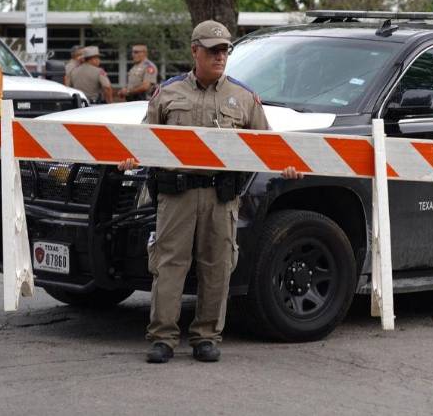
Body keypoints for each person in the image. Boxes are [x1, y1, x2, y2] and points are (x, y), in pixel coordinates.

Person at [119, 20, 302, 364]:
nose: (220, 56)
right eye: (212, 50)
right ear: (195, 51)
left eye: (224, 50)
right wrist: (131, 156)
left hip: (221, 197)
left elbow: (269, 145)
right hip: (176, 195)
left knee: (217, 265)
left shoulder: (243, 97)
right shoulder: (169, 92)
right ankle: (163, 337)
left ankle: (206, 336)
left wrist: (286, 164)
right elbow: (144, 138)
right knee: (169, 265)